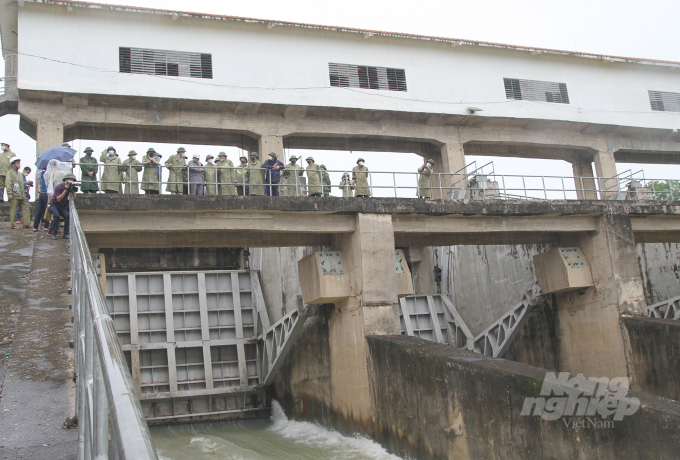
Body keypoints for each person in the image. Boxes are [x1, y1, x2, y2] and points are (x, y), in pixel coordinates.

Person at [48, 173, 77, 240]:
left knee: (67, 215)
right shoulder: (59, 187)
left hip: (62, 206)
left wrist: (73, 189)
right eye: (70, 180)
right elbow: (58, 199)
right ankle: (54, 233)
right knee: (56, 215)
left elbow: (74, 197)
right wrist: (65, 190)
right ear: (65, 180)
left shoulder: (70, 188)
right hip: (54, 205)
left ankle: (66, 234)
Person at [6, 157, 30, 229]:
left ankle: (26, 223)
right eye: (17, 163)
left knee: (26, 207)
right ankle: (13, 224)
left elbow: (21, 185)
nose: (19, 165)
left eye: (19, 163)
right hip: (14, 195)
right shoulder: (9, 173)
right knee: (13, 210)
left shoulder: (19, 174)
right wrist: (9, 193)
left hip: (21, 195)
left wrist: (24, 194)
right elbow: (8, 183)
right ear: (13, 165)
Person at [32, 166, 49, 231]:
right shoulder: (48, 173)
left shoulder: (40, 173)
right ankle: (46, 226)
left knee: (39, 211)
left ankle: (35, 227)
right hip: (46, 193)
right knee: (46, 210)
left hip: (41, 193)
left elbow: (39, 182)